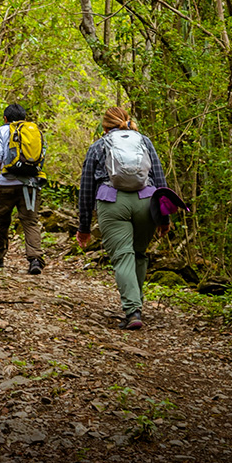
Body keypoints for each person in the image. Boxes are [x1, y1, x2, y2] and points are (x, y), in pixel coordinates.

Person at [76, 106, 169, 330]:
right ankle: (136, 304)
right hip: (145, 201)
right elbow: (159, 179)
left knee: (123, 256)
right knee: (138, 254)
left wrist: (84, 226)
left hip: (112, 202)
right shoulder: (144, 141)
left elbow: (87, 187)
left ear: (105, 126)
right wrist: (164, 218)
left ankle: (132, 310)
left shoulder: (99, 145)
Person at [0, 103, 45, 275]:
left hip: (6, 184)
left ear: (5, 119)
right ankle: (35, 259)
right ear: (24, 118)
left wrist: (4, 166)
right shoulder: (35, 131)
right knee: (31, 221)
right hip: (31, 185)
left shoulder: (0, 132)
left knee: (1, 220)